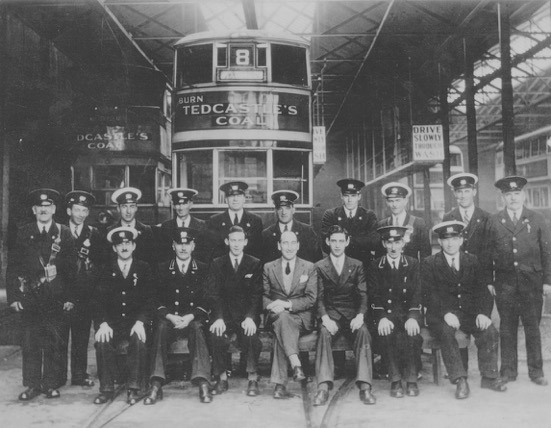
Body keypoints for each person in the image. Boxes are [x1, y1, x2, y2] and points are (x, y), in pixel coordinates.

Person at [422, 221, 507, 399]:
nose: (450, 243)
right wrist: (445, 313)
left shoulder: (473, 260)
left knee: (489, 331)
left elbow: (483, 290)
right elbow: (428, 294)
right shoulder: (430, 263)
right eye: (445, 239)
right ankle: (460, 379)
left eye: (454, 238)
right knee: (446, 333)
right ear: (440, 242)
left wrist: (483, 313)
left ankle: (489, 377)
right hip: (441, 314)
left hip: (469, 313)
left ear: (461, 240)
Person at [7, 188, 77, 400]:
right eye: (40, 207)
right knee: (30, 341)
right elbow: (13, 267)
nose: (44, 210)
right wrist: (13, 297)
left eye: (48, 207)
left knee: (54, 342)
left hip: (55, 298)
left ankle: (50, 384)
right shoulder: (23, 232)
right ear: (34, 209)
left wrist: (70, 298)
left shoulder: (64, 233)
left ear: (54, 209)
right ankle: (32, 385)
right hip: (30, 297)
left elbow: (72, 269)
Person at [486, 176, 551, 386]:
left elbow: (547, 252)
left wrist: (547, 281)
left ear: (523, 195)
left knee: (532, 327)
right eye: (508, 195)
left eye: (516, 194)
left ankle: (536, 372)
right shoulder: (495, 221)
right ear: (503, 197)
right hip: (505, 285)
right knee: (507, 328)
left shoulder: (537, 218)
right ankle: (508, 371)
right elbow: (487, 253)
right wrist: (489, 280)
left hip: (532, 283)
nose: (513, 198)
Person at [145, 227, 213, 405]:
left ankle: (203, 381)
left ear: (193, 246)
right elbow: (154, 299)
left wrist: (191, 316)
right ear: (173, 246)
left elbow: (207, 300)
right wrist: (168, 315)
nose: (183, 248)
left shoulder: (203, 268)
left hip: (191, 319)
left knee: (199, 329)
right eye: (179, 244)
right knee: (159, 328)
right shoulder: (162, 268)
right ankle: (156, 382)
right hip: (170, 319)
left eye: (187, 244)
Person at [313, 225, 375, 406]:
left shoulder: (356, 265)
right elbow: (318, 297)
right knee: (323, 334)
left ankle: (365, 386)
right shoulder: (319, 266)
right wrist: (324, 318)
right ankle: (323, 387)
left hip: (351, 315)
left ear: (347, 242)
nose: (337, 245)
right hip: (331, 314)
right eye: (334, 241)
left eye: (341, 241)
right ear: (327, 242)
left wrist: (360, 316)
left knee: (363, 332)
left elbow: (363, 294)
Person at [92, 226, 154, 405]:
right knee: (102, 340)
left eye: (128, 243)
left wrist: (141, 321)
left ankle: (134, 388)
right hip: (113, 323)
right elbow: (97, 301)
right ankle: (106, 389)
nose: (124, 247)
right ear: (114, 248)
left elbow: (150, 299)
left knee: (139, 339)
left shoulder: (144, 268)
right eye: (120, 244)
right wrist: (102, 323)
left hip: (135, 323)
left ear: (134, 246)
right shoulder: (105, 269)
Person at [207, 226, 263, 397]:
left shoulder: (254, 263)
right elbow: (214, 294)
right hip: (225, 316)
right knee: (215, 334)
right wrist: (218, 317)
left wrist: (251, 317)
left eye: (240, 240)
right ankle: (221, 377)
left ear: (245, 242)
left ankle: (252, 378)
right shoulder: (217, 263)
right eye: (233, 240)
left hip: (246, 316)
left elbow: (256, 294)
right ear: (227, 242)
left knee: (251, 336)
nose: (236, 244)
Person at [368, 226, 422, 398]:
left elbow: (417, 294)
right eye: (389, 242)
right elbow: (374, 296)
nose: (393, 247)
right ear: (384, 243)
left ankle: (412, 379)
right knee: (388, 332)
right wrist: (382, 317)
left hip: (407, 315)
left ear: (403, 243)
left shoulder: (412, 264)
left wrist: (413, 316)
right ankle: (396, 380)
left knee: (412, 332)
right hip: (387, 316)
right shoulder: (376, 265)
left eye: (397, 242)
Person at [263, 230, 317, 399]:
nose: (289, 247)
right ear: (279, 245)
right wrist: (272, 306)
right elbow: (263, 295)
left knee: (282, 325)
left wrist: (286, 305)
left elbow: (311, 298)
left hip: (300, 316)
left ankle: (280, 384)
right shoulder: (268, 267)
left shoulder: (309, 267)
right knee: (282, 320)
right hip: (276, 314)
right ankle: (296, 364)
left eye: (293, 243)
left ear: (298, 246)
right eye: (285, 243)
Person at [60, 190, 104, 388]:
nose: (80, 214)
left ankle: (79, 375)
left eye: (84, 210)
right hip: (61, 294)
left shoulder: (93, 234)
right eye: (77, 209)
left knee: (81, 337)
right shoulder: (58, 232)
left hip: (84, 295)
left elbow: (100, 264)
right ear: (69, 210)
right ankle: (57, 377)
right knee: (60, 337)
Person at [321, 178, 379, 266]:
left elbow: (374, 242)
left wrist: (345, 241)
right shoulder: (331, 215)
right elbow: (325, 244)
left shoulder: (369, 215)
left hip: (364, 266)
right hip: (338, 265)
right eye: (346, 195)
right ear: (341, 196)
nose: (349, 200)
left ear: (359, 196)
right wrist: (360, 241)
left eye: (353, 196)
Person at [261, 190, 322, 264]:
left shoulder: (307, 232)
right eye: (280, 208)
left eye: (287, 208)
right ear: (275, 211)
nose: (284, 212)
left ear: (293, 210)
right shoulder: (266, 235)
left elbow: (317, 261)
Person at [207, 181, 263, 260]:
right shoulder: (215, 221)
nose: (235, 199)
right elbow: (212, 251)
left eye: (239, 195)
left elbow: (258, 251)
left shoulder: (255, 221)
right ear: (226, 199)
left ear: (244, 198)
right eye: (231, 196)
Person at [376, 182, 431, 260]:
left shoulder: (418, 223)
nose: (394, 204)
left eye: (398, 200)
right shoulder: (382, 224)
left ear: (405, 201)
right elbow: (379, 255)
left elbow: (426, 254)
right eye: (391, 201)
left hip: (412, 270)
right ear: (387, 202)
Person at [443, 173, 490, 260]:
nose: (463, 196)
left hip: (480, 270)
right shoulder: (448, 217)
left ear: (474, 192)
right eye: (459, 192)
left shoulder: (486, 217)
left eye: (467, 191)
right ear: (454, 194)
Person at [107, 187, 156, 268]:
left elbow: (152, 261)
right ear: (118, 208)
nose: (128, 211)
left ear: (136, 208)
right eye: (124, 207)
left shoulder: (147, 231)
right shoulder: (110, 231)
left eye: (132, 206)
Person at [158, 188, 210, 263]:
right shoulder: (166, 226)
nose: (181, 208)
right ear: (173, 206)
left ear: (191, 204)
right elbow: (164, 253)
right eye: (178, 204)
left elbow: (204, 253)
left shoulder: (202, 226)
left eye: (184, 204)